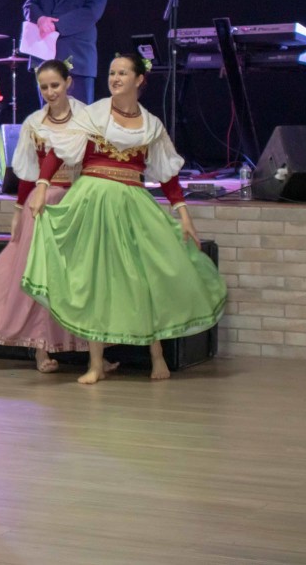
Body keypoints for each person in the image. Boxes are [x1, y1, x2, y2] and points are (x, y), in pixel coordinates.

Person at [22, 53, 227, 384]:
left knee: (145, 278)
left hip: (132, 202)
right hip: (92, 199)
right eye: (111, 73)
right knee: (94, 279)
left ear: (139, 79)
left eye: (122, 73)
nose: (115, 78)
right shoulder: (93, 115)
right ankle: (95, 364)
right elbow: (58, 151)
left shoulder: (151, 125)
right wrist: (43, 186)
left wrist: (183, 213)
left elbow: (167, 175)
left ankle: (157, 357)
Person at [0, 60, 92, 372]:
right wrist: (18, 211)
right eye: (44, 87)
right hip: (42, 206)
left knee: (79, 278)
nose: (50, 92)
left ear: (68, 83)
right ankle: (41, 349)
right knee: (40, 276)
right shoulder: (35, 123)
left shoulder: (87, 119)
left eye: (55, 85)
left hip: (78, 202)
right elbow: (28, 173)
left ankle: (92, 351)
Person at [23, 0, 109, 104]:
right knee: (48, 116)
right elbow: (29, 5)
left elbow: (90, 14)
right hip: (45, 61)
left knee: (78, 117)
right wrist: (40, 19)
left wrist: (54, 26)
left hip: (76, 62)